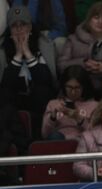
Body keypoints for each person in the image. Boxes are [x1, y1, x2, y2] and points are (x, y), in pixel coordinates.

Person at [0, 5, 56, 140]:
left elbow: (47, 80)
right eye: (15, 26)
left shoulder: (43, 44)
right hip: (14, 99)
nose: (19, 30)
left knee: (42, 91)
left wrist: (28, 54)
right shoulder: (2, 49)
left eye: (23, 25)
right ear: (10, 30)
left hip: (37, 100)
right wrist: (18, 55)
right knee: (4, 94)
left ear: (30, 27)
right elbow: (4, 83)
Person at [42, 65, 98, 140]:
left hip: (82, 141)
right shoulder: (53, 104)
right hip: (59, 141)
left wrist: (79, 119)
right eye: (69, 87)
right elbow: (45, 134)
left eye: (77, 87)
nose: (73, 92)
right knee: (55, 137)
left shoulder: (94, 105)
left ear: (84, 87)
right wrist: (52, 117)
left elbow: (97, 134)